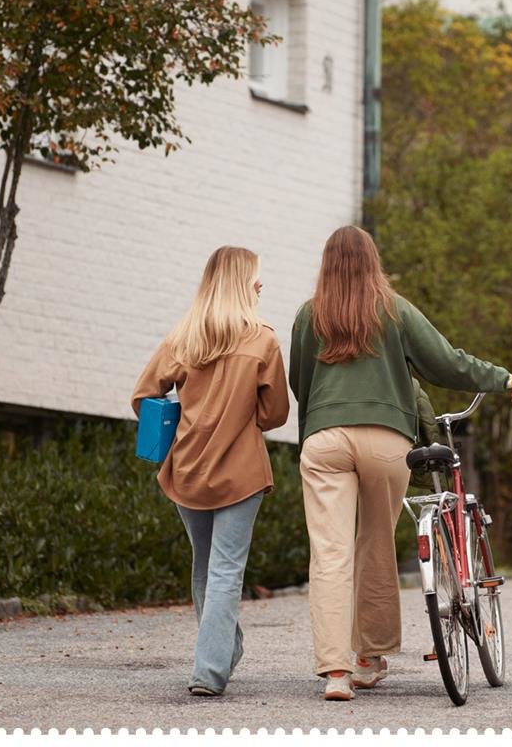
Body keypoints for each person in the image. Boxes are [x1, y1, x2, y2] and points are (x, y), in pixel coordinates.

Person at [289, 225, 512, 701]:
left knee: (329, 555)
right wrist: (500, 377)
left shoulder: (310, 315)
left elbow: (300, 381)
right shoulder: (394, 310)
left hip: (325, 440)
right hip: (385, 441)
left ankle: (335, 674)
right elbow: (445, 362)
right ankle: (368, 660)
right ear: (372, 261)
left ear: (326, 264)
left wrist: (325, 418)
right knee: (374, 545)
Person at [131, 246, 289, 697]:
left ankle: (218, 654)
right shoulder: (262, 339)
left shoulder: (183, 338)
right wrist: (242, 416)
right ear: (242, 283)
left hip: (186, 468)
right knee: (224, 571)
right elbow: (275, 412)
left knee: (206, 568)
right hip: (240, 472)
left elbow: (143, 396)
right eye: (257, 277)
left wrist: (182, 422)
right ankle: (210, 669)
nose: (261, 284)